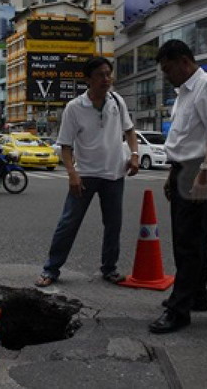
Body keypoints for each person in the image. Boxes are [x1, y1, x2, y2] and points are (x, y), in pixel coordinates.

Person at [35, 56, 140, 288]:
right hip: (86, 174)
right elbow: (66, 145)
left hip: (114, 174)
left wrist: (134, 155)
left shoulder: (117, 101)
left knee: (114, 224)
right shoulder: (74, 107)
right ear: (88, 79)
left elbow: (130, 131)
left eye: (108, 74)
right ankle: (51, 269)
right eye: (101, 75)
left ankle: (109, 268)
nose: (106, 79)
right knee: (68, 222)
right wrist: (72, 173)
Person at [149, 40, 207, 334]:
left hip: (200, 169)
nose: (166, 75)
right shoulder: (183, 92)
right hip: (185, 169)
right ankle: (196, 296)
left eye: (168, 69)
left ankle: (179, 311)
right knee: (194, 238)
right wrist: (173, 173)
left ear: (184, 61)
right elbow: (183, 138)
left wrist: (205, 172)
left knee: (187, 241)